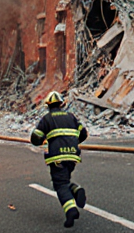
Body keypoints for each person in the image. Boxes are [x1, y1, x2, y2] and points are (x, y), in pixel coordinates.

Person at [30, 91, 88, 228]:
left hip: (57, 157)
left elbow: (35, 139)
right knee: (64, 180)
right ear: (62, 104)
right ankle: (75, 190)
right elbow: (84, 133)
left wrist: (43, 140)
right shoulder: (71, 117)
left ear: (48, 106)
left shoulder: (47, 119)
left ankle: (71, 210)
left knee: (60, 185)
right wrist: (73, 142)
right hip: (73, 156)